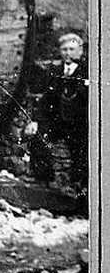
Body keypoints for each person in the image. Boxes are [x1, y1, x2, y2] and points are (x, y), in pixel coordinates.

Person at [25, 31, 89, 195]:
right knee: (40, 136)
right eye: (65, 49)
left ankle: (80, 189)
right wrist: (36, 121)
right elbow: (46, 100)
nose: (68, 53)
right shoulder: (54, 71)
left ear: (80, 51)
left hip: (80, 123)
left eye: (72, 49)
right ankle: (44, 182)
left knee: (83, 153)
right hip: (58, 122)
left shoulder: (89, 71)